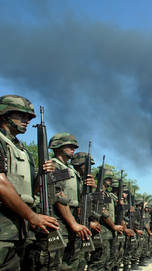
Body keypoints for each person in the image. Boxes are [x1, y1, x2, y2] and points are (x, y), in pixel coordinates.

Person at [0, 94, 59, 270]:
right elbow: (1, 185)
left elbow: (31, 192)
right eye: (21, 115)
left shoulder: (23, 150)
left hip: (19, 229)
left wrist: (42, 175)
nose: (26, 120)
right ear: (4, 114)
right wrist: (32, 216)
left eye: (29, 117)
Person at [48, 133, 92, 271]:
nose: (74, 148)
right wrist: (73, 223)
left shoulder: (69, 170)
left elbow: (78, 199)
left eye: (74, 146)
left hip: (71, 219)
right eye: (69, 145)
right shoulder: (55, 166)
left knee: (72, 263)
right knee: (57, 264)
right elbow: (58, 196)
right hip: (60, 221)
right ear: (58, 146)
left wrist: (89, 188)